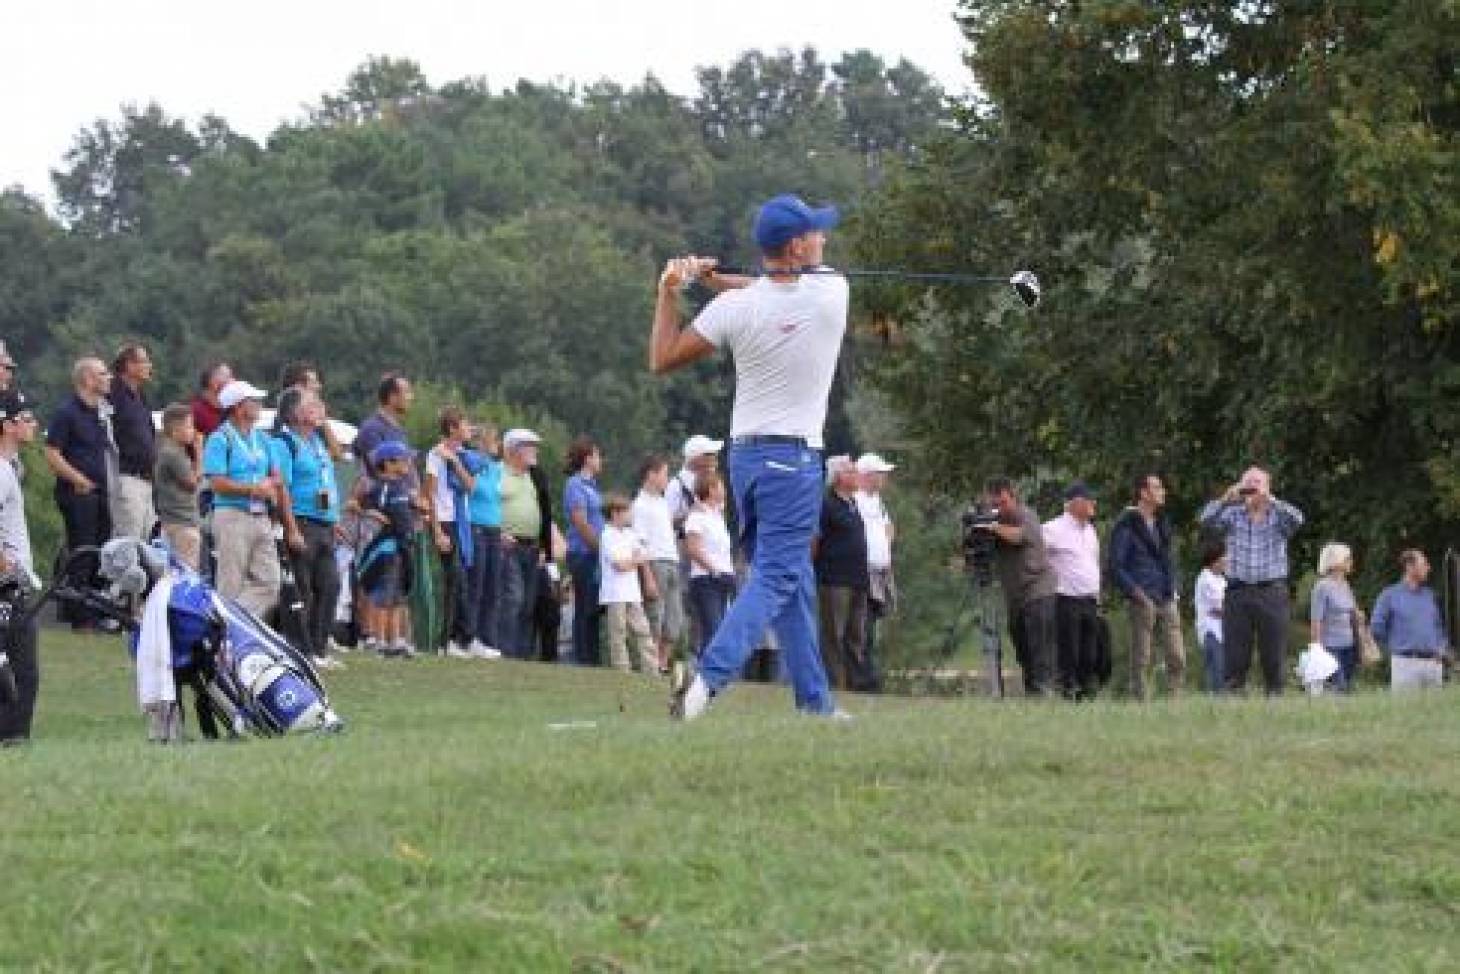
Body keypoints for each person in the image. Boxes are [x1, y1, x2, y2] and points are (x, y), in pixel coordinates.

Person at [650, 193, 846, 719]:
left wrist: (671, 291)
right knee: (779, 576)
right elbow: (775, 290)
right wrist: (716, 280)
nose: (824, 239)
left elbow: (662, 357)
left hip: (746, 463)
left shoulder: (735, 307)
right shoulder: (833, 291)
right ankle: (706, 681)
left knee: (790, 578)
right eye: (817, 233)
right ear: (798, 245)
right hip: (795, 461)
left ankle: (815, 704)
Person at [1199, 467, 1304, 694]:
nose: (1251, 488)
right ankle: (1235, 703)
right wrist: (1225, 499)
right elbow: (1205, 521)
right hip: (1238, 592)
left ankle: (1275, 700)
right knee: (1236, 655)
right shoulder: (1232, 514)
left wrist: (1272, 501)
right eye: (1247, 483)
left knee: (1273, 654)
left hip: (1271, 592)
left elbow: (1298, 520)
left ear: (1267, 487)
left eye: (1257, 483)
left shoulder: (1279, 516)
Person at [271, 387, 343, 670]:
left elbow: (326, 480)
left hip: (323, 523)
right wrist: (290, 528)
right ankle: (300, 650)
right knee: (302, 589)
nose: (320, 408)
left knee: (330, 585)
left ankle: (319, 647)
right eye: (313, 405)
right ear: (295, 414)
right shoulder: (283, 444)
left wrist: (334, 519)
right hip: (301, 522)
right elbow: (282, 488)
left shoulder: (316, 442)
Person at [45, 357, 117, 632]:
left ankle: (96, 610)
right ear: (87, 379)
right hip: (77, 493)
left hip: (100, 491)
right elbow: (51, 453)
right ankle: (80, 617)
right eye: (102, 373)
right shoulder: (67, 412)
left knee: (100, 551)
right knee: (82, 551)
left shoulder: (100, 412)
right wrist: (77, 479)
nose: (108, 377)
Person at [201, 379, 284, 616]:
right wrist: (252, 489)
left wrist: (268, 484)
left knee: (270, 582)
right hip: (231, 515)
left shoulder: (262, 439)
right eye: (253, 401)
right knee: (231, 582)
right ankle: (226, 631)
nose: (259, 405)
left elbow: (277, 476)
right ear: (238, 407)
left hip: (260, 515)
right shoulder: (219, 439)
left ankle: (229, 619)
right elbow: (216, 482)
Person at [976, 477, 1059, 697]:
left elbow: (1018, 536)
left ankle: (1045, 693)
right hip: (1015, 598)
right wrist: (977, 530)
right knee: (1023, 651)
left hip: (1038, 590)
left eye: (1003, 502)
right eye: (994, 504)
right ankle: (1033, 694)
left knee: (1039, 648)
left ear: (1013, 497)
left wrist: (992, 526)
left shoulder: (1026, 515)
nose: (999, 508)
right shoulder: (993, 523)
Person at [353, 373, 416, 645]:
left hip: (401, 513)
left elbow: (407, 469)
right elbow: (373, 471)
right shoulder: (372, 428)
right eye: (407, 392)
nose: (411, 397)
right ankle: (370, 635)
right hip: (381, 513)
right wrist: (372, 509)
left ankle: (396, 637)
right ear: (392, 397)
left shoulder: (399, 429)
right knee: (375, 572)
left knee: (398, 581)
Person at [1111, 473, 1186, 699]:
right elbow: (1116, 565)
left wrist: (1173, 587)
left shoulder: (1163, 524)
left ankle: (1175, 699)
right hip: (1142, 596)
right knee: (1143, 655)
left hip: (1165, 595)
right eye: (1158, 487)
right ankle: (1141, 701)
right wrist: (1135, 592)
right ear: (1144, 493)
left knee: (1177, 654)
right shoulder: (1126, 525)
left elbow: (1168, 559)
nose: (1163, 491)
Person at [0, 390, 40, 745]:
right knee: (22, 669)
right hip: (7, 585)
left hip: (12, 581)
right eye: (26, 419)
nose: (34, 425)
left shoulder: (11, 467)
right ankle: (12, 738)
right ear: (8, 425)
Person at [356, 442, 418, 658]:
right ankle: (380, 641)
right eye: (404, 459)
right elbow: (357, 505)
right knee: (384, 596)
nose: (409, 463)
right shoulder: (380, 486)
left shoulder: (402, 486)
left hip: (403, 546)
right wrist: (372, 514)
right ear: (388, 464)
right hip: (387, 548)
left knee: (399, 595)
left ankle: (398, 640)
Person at [813, 456, 869, 692]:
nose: (856, 475)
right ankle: (834, 683)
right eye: (851, 471)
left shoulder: (853, 504)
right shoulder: (826, 505)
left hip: (858, 579)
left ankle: (856, 682)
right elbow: (814, 541)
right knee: (833, 634)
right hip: (835, 580)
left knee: (856, 633)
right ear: (838, 477)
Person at [424, 407, 476, 657]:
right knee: (453, 579)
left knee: (461, 579)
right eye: (465, 424)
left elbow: (470, 486)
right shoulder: (434, 455)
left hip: (461, 522)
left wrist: (455, 461)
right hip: (444, 521)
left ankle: (461, 637)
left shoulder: (462, 455)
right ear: (453, 429)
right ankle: (448, 640)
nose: (469, 429)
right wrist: (436, 531)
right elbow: (430, 494)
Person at [1042, 481, 1102, 700]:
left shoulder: (1091, 531)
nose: (1093, 504)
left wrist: (1098, 597)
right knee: (1070, 654)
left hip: (1090, 601)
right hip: (1066, 600)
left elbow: (1093, 564)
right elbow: (1038, 558)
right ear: (1075, 503)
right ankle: (1069, 696)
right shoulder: (1052, 529)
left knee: (1090, 654)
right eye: (1089, 500)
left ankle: (1085, 697)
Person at [498, 428, 548, 658]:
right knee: (513, 598)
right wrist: (498, 533)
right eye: (529, 446)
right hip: (508, 545)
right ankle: (506, 651)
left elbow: (544, 512)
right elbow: (481, 504)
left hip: (532, 547)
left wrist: (543, 547)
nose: (534, 451)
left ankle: (521, 655)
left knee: (528, 604)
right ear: (513, 450)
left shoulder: (533, 476)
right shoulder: (497, 473)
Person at [1371, 549, 1451, 692]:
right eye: (1424, 564)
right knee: (1405, 712)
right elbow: (1377, 627)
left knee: (1436, 713)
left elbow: (1438, 627)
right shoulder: (1389, 595)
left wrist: (1442, 647)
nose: (1429, 568)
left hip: (1434, 664)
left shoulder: (1429, 595)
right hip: (1404, 664)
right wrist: (1393, 648)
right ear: (1410, 566)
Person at [598, 494, 657, 673]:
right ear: (615, 514)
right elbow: (619, 565)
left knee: (643, 630)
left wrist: (635, 560)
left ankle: (651, 669)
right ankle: (622, 669)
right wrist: (635, 560)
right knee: (618, 633)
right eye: (626, 512)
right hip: (615, 594)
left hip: (632, 593)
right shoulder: (607, 535)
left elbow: (644, 555)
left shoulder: (630, 534)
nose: (630, 515)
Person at [632, 454, 680, 672]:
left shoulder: (662, 503)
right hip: (655, 562)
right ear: (651, 475)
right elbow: (639, 543)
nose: (667, 479)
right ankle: (649, 664)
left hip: (671, 561)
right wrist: (647, 576)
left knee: (673, 620)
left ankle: (662, 663)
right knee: (655, 616)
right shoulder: (639, 505)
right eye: (664, 474)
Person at [461, 424, 504, 658]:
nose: (497, 445)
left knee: (492, 586)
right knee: (476, 584)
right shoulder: (472, 462)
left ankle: (488, 639)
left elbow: (496, 499)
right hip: (476, 526)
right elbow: (474, 491)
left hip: (494, 528)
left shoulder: (496, 468)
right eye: (493, 440)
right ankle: (470, 636)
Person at [106, 344, 158, 542]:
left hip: (145, 480)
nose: (149, 366)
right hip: (126, 478)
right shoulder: (114, 394)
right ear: (129, 365)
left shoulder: (140, 396)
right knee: (128, 543)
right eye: (144, 361)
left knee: (147, 541)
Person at [854, 453, 896, 693]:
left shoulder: (877, 501)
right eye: (881, 474)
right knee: (863, 627)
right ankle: (864, 679)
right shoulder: (857, 500)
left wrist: (886, 545)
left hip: (881, 573)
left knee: (872, 627)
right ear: (868, 476)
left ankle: (868, 675)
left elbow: (889, 526)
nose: (885, 478)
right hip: (864, 573)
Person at [563, 435, 605, 666]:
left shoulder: (593, 487)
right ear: (587, 458)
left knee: (593, 607)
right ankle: (583, 658)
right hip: (583, 553)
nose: (601, 460)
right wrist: (599, 549)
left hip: (593, 554)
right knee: (585, 607)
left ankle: (592, 656)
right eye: (597, 455)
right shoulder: (575, 485)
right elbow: (580, 521)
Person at [684, 471, 735, 660]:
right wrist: (713, 569)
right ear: (711, 489)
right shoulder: (697, 517)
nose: (724, 489)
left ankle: (711, 670)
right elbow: (693, 548)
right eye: (720, 485)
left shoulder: (717, 515)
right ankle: (705, 670)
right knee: (712, 627)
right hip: (706, 579)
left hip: (724, 577)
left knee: (720, 629)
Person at [154, 404, 201, 570]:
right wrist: (199, 452)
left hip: (175, 521)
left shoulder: (173, 451)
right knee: (187, 572)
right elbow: (192, 483)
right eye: (189, 426)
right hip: (181, 522)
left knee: (175, 571)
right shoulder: (173, 453)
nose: (193, 431)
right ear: (175, 429)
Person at [1310, 543, 1359, 692]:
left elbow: (1352, 612)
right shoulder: (1322, 587)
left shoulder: (1345, 585)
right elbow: (1316, 620)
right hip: (1331, 647)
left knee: (1346, 687)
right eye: (1347, 559)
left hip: (1349, 646)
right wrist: (1317, 649)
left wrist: (1358, 615)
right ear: (1336, 562)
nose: (1351, 562)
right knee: (1338, 687)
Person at [1193, 540, 1228, 694]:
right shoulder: (1206, 579)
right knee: (1217, 672)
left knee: (1223, 671)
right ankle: (1215, 704)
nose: (1227, 560)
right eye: (1224, 557)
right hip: (1211, 632)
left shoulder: (1221, 580)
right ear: (1214, 560)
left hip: (1222, 632)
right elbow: (1219, 609)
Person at [189, 361, 232, 443]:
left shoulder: (232, 409)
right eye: (227, 377)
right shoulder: (195, 411)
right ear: (213, 381)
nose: (232, 381)